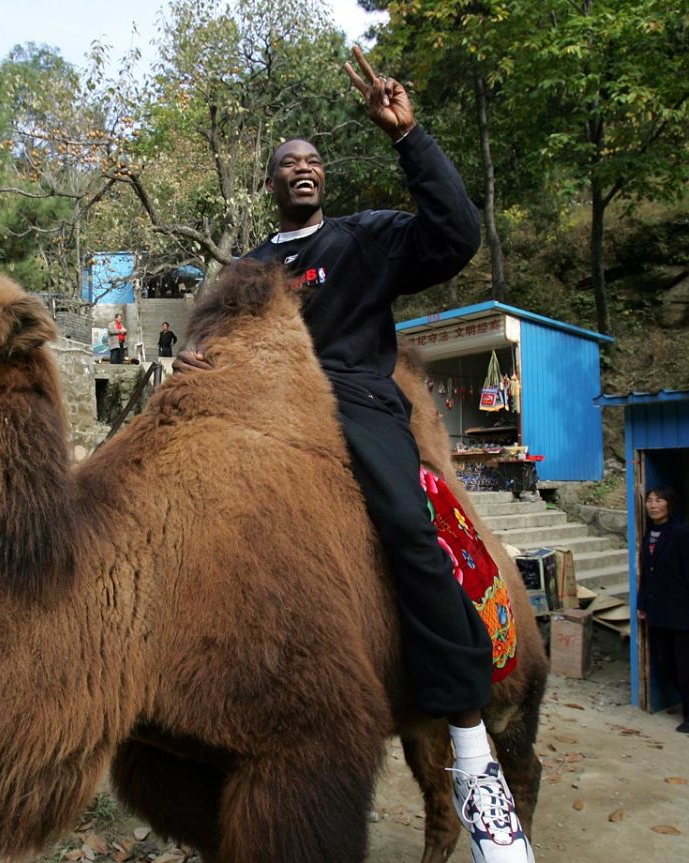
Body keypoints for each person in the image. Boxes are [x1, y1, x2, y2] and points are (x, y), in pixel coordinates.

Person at [176, 46, 532, 863]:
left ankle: (470, 742)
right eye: (286, 164)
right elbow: (207, 343)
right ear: (269, 184)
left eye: (311, 161)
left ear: (322, 178)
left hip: (356, 406)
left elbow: (456, 235)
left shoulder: (366, 239)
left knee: (410, 527)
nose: (300, 169)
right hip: (256, 412)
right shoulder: (245, 271)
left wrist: (409, 138)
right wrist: (194, 361)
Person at [636, 486, 689, 733]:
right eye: (650, 500)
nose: (653, 505)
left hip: (684, 613)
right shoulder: (649, 534)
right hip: (659, 612)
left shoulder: (684, 536)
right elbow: (647, 575)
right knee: (664, 661)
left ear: (669, 505)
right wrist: (643, 605)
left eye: (659, 500)